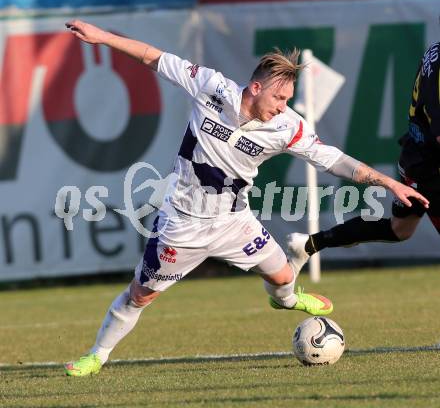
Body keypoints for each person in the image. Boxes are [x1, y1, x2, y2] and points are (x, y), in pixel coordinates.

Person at [63, 19, 429, 377]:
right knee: (139, 296)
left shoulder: (287, 126)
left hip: (234, 221)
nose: (284, 106)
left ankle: (286, 299)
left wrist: (388, 183)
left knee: (284, 278)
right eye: (279, 97)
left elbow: (333, 160)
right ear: (255, 87)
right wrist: (102, 37)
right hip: (182, 223)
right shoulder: (210, 86)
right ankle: (97, 356)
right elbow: (151, 56)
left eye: (288, 98)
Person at [287, 42, 439, 273]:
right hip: (430, 167)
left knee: (400, 229)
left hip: (417, 155)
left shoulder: (434, 49)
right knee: (399, 228)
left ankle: (310, 243)